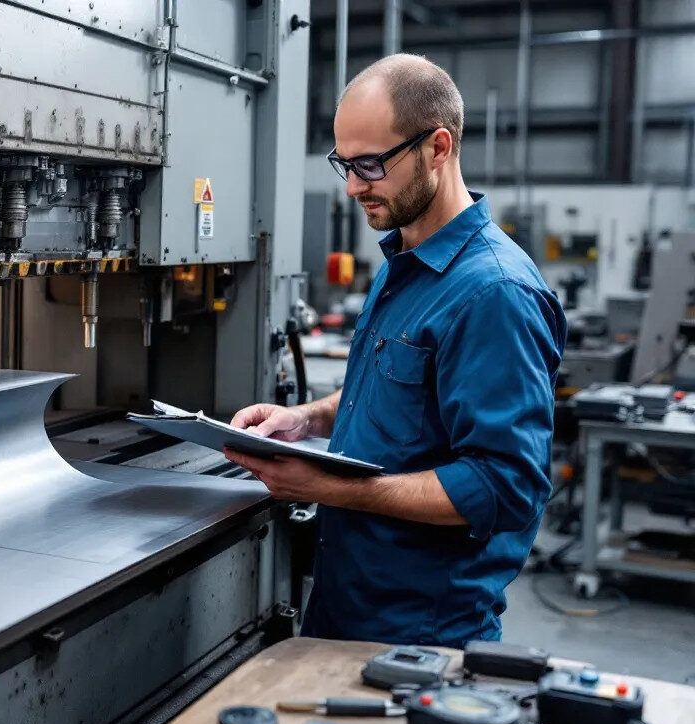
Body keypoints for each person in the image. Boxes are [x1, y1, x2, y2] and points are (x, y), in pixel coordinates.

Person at [224, 54, 566, 648]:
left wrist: (328, 487)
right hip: (346, 607)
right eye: (345, 164)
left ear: (438, 147)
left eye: (371, 164)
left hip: (423, 635)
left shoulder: (494, 294)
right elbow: (393, 388)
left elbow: (503, 486)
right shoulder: (402, 264)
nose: (354, 186)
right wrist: (306, 418)